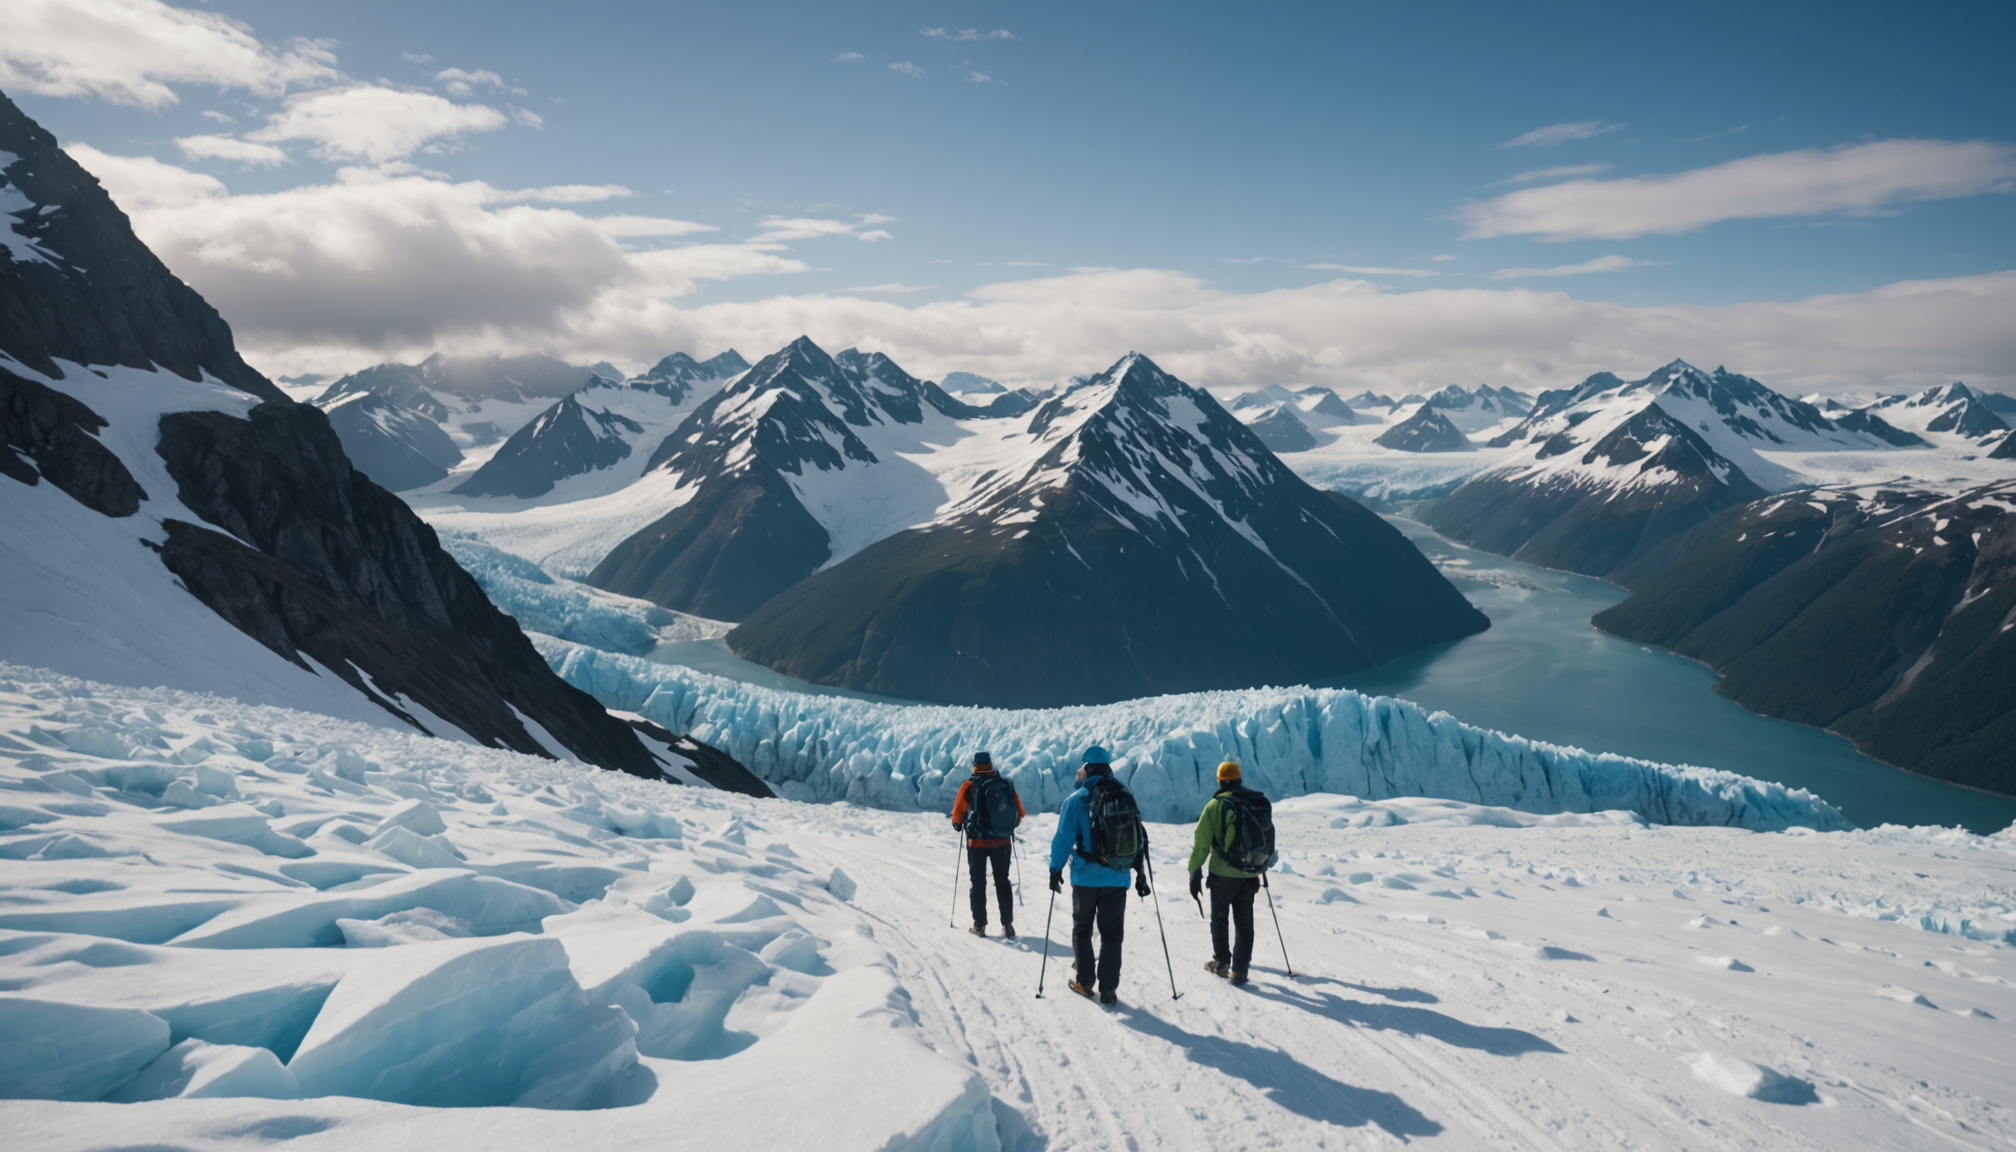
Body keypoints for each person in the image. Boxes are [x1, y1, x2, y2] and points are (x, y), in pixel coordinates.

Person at [1048, 745, 1150, 1005]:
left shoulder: (1075, 800)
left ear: (1089, 768)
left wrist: (1055, 869)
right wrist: (1139, 871)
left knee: (1082, 929)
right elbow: (1137, 837)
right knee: (1112, 935)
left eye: (1083, 766)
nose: (1079, 771)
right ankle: (1109, 990)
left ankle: (1084, 981)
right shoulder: (1124, 794)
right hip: (1117, 877)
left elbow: (1063, 840)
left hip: (1085, 879)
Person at [1188, 760, 1268, 986]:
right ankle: (1240, 970)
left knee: (1220, 919)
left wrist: (1195, 874)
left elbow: (1201, 845)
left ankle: (1222, 963)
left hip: (1222, 877)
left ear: (1220, 781)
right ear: (1240, 778)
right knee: (1244, 920)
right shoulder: (1256, 802)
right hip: (1250, 873)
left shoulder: (1214, 806)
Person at [951, 751, 1025, 938]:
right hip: (1002, 842)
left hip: (977, 843)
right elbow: (1020, 813)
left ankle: (979, 925)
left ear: (974, 765)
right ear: (991, 763)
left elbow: (957, 816)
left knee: (978, 883)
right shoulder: (1006, 783)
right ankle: (1008, 925)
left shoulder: (969, 785)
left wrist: (959, 825)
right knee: (1002, 880)